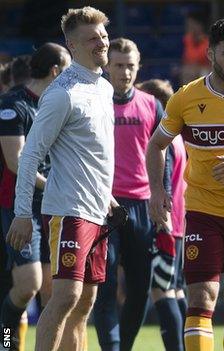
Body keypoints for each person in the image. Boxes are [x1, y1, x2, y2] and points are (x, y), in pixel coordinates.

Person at [146, 18, 224, 351]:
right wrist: (157, 191)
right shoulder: (186, 98)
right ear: (211, 53)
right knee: (203, 296)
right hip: (203, 210)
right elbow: (156, 144)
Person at [6, 6, 115, 351]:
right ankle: (7, 340)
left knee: (84, 303)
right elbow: (28, 158)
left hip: (98, 209)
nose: (101, 42)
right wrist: (23, 213)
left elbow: (92, 153)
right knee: (65, 296)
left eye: (103, 35)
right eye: (92, 38)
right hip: (69, 209)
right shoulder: (62, 94)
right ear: (72, 44)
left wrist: (109, 196)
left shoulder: (104, 88)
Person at [92, 37, 171, 351]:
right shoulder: (93, 101)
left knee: (140, 289)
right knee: (106, 286)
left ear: (139, 67)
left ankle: (123, 347)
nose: (125, 72)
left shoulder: (152, 105)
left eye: (130, 66)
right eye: (119, 65)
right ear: (107, 65)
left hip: (141, 206)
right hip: (103, 206)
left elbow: (163, 152)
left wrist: (160, 194)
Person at [0, 42, 70, 351]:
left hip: (52, 206)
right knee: (28, 285)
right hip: (19, 207)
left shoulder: (57, 105)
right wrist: (54, 186)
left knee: (51, 292)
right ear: (55, 71)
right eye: (68, 72)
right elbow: (16, 162)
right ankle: (5, 338)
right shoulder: (12, 105)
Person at [136, 78, 188, 351]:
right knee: (176, 289)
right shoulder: (177, 139)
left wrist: (161, 219)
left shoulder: (161, 142)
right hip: (177, 221)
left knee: (162, 291)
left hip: (164, 221)